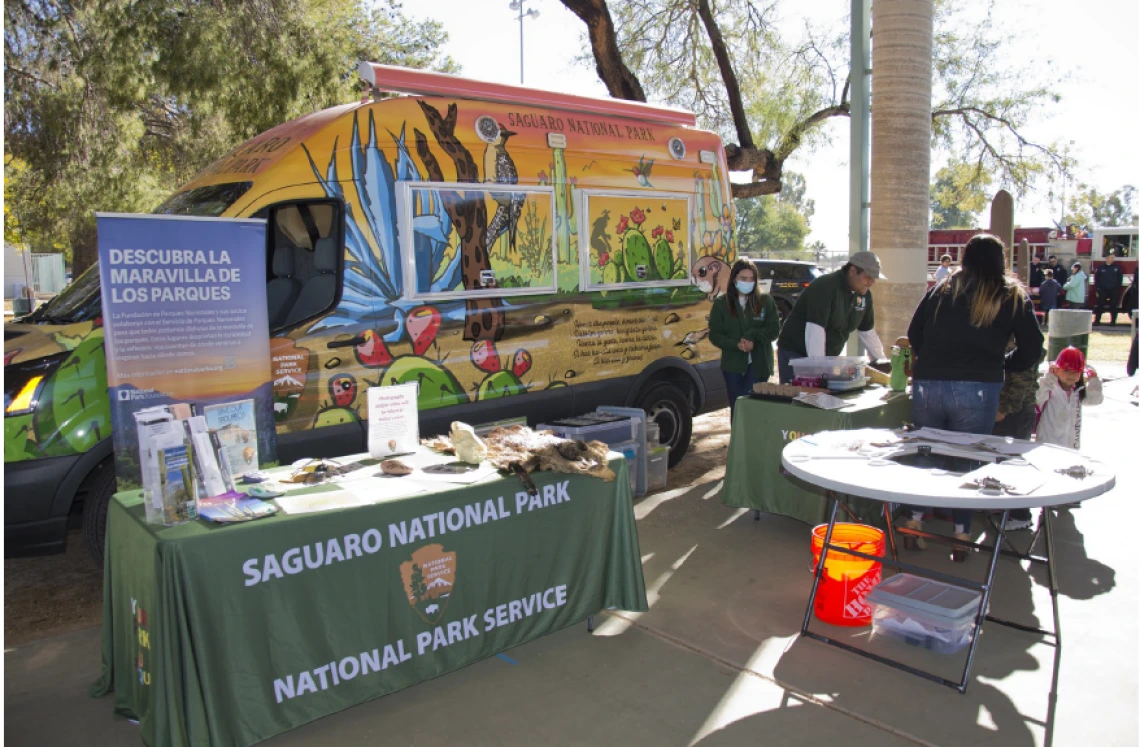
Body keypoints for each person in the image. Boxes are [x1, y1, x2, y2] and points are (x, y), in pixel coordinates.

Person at [902, 233, 1044, 562]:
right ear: (1000, 260)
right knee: (968, 459)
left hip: (929, 384)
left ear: (964, 258)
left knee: (927, 452)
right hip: (977, 387)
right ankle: (961, 535)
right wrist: (1004, 365)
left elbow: (914, 333)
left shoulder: (943, 288)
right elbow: (1033, 347)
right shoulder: (1009, 294)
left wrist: (932, 362)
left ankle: (914, 520)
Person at [776, 251, 887, 383]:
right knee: (800, 397)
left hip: (826, 358)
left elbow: (868, 332)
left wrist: (882, 364)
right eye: (868, 277)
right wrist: (819, 372)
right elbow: (815, 332)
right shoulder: (826, 286)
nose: (871, 283)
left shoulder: (864, 295)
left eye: (874, 279)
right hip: (796, 354)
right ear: (852, 271)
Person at [709, 259, 780, 418]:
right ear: (734, 279)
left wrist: (753, 336)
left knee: (752, 408)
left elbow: (774, 330)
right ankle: (737, 441)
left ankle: (753, 442)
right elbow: (715, 335)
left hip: (759, 363)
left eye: (751, 279)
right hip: (732, 365)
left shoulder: (765, 301)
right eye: (743, 278)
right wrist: (736, 345)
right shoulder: (722, 303)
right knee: (738, 407)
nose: (748, 282)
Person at [993, 345, 1045, 531]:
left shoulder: (1020, 339)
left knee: (1013, 464)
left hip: (1015, 411)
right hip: (1010, 410)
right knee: (1000, 462)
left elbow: (1022, 379)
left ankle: (1020, 514)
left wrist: (1004, 409)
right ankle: (1005, 507)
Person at [1036, 347, 1103, 450]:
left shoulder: (1078, 392)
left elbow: (1097, 399)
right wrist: (1049, 377)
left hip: (1071, 448)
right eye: (1067, 370)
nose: (1071, 375)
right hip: (1047, 447)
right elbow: (1037, 397)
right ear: (1056, 370)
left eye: (1076, 372)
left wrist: (1094, 380)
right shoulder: (1050, 388)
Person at [1093, 253, 1125, 325]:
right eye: (1111, 258)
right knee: (1100, 305)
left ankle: (1113, 322)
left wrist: (1117, 288)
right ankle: (1097, 321)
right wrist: (1098, 288)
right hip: (1103, 290)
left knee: (1113, 306)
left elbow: (1120, 278)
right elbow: (1096, 278)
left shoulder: (1117, 268)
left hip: (1113, 290)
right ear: (1106, 258)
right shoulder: (1101, 268)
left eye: (1113, 258)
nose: (1112, 259)